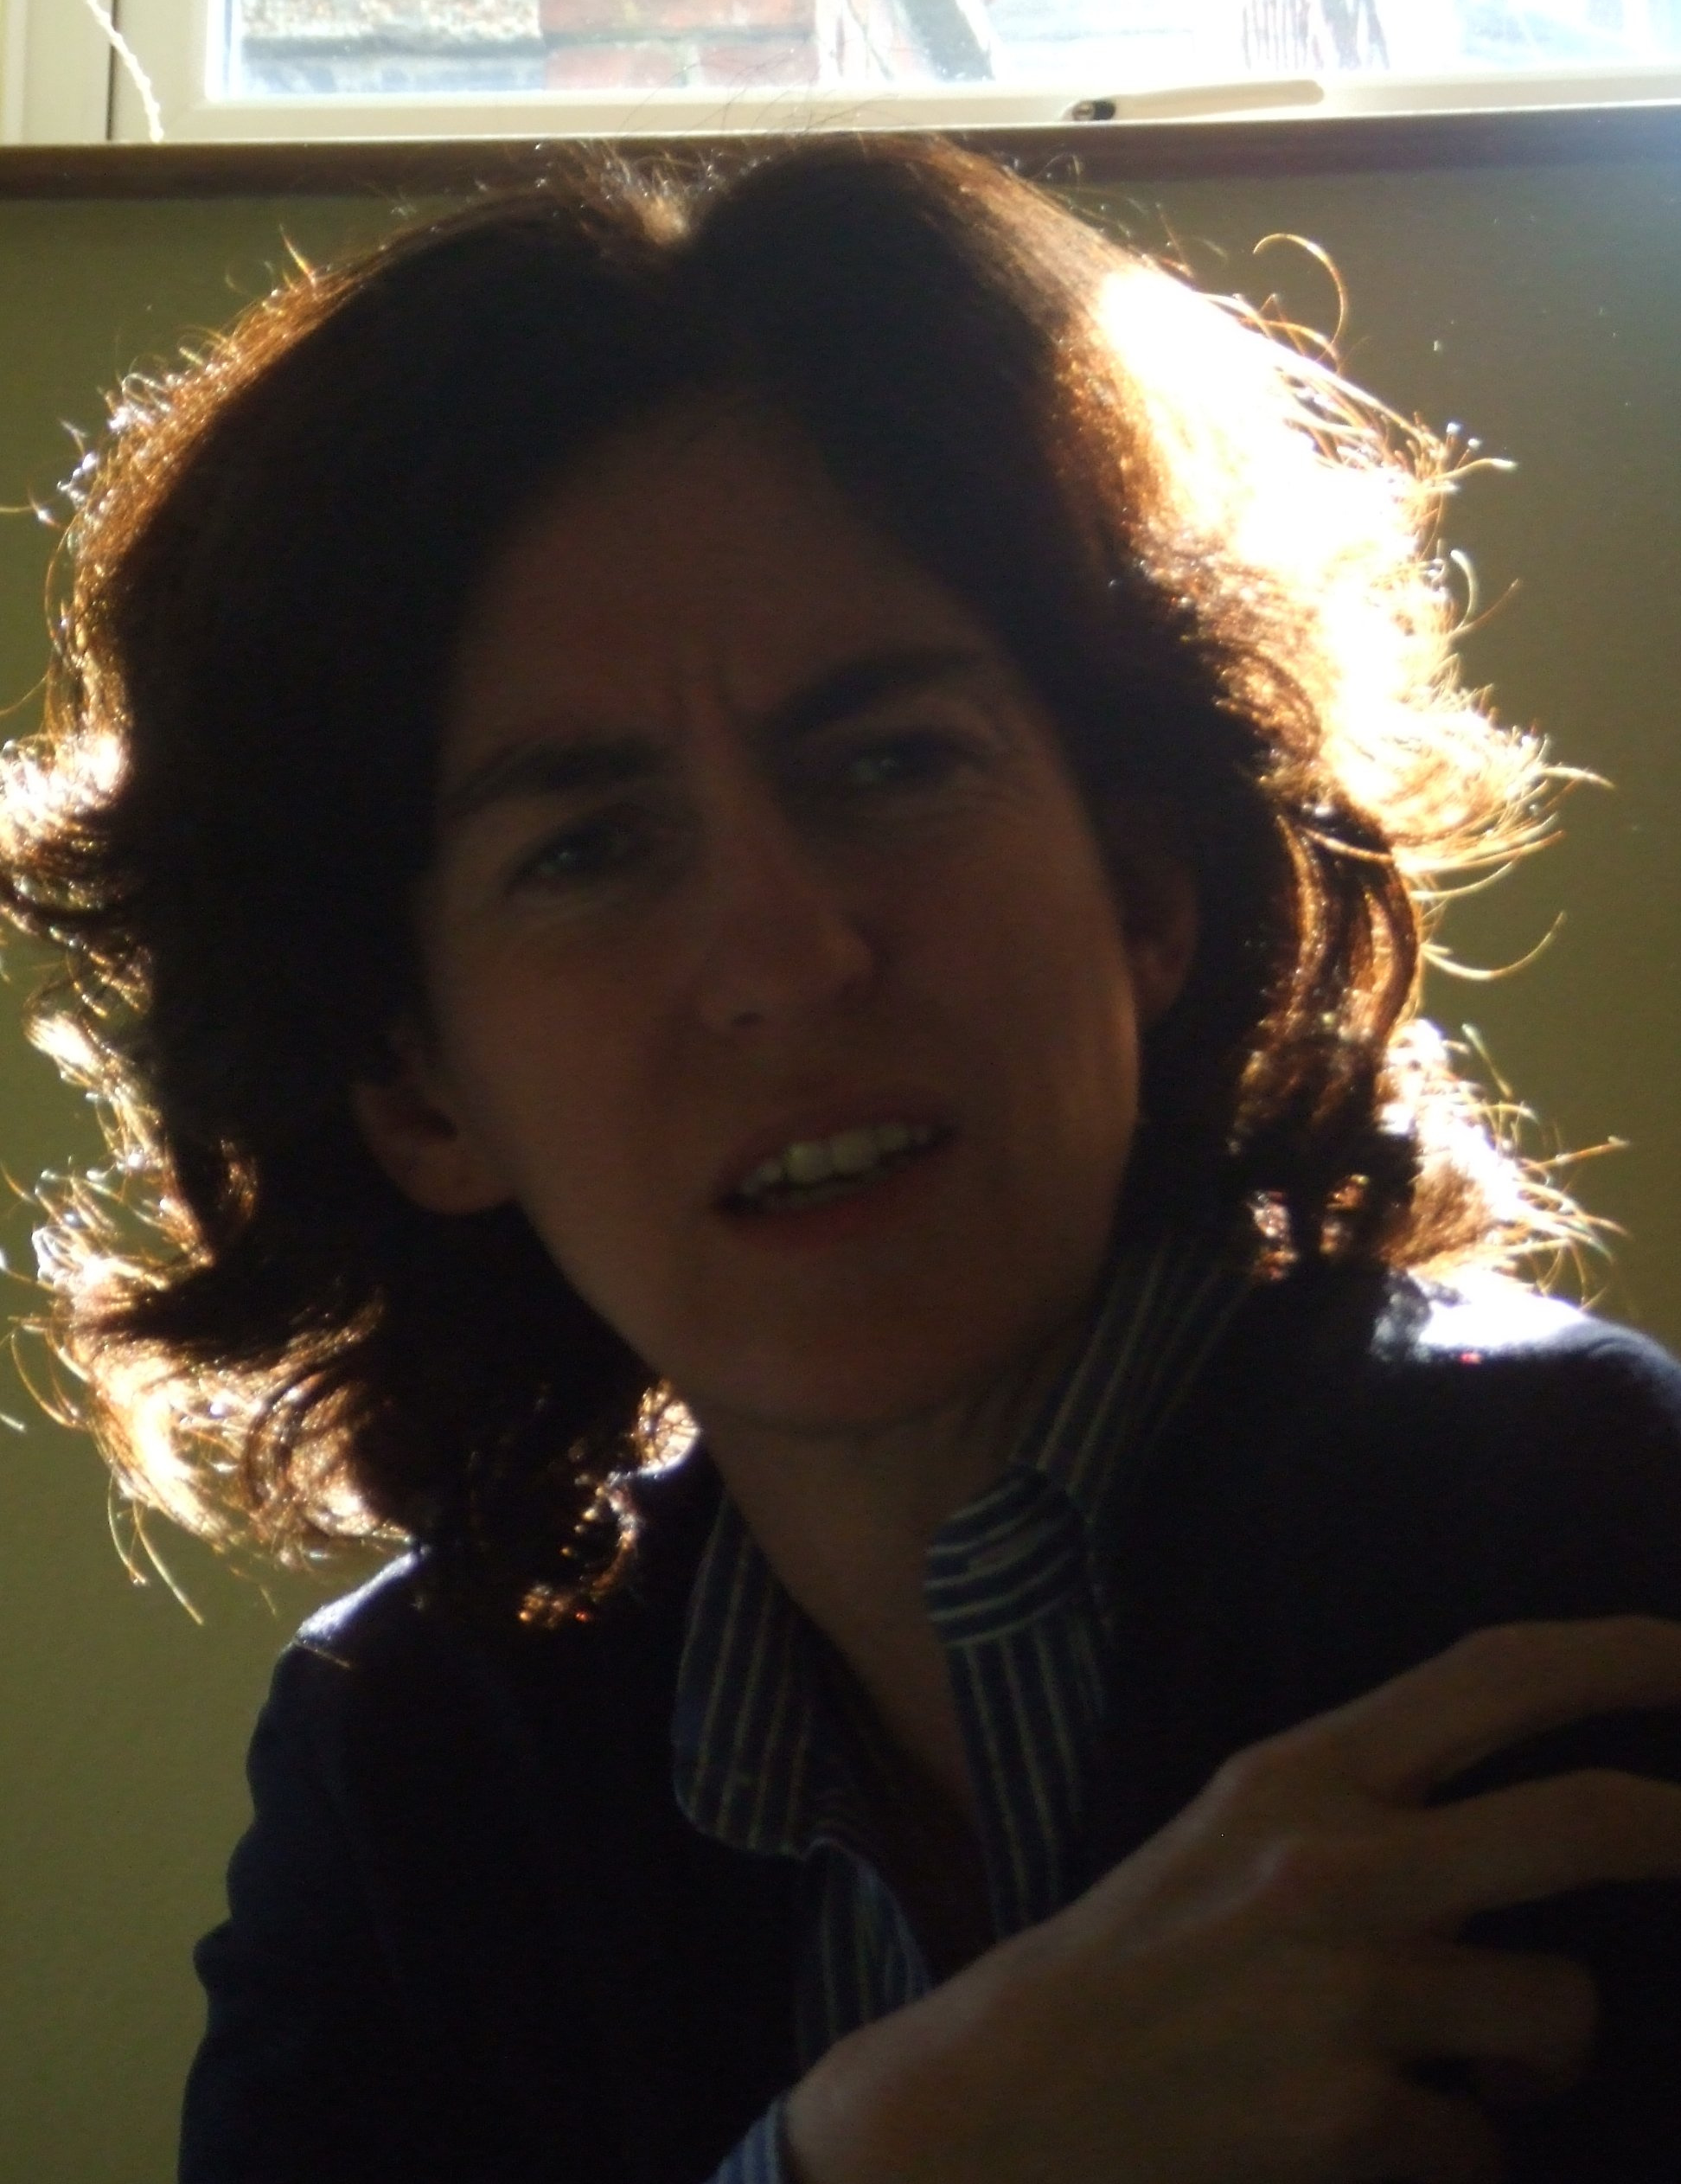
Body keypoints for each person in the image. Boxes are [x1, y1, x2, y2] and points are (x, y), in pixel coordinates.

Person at [3, 135, 1681, 2184]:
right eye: (590, 850)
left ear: (1147, 891)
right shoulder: (409, 1756)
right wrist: (893, 2150)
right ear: (418, 1095)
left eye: (893, 761)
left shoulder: (1580, 1536)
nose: (792, 955)